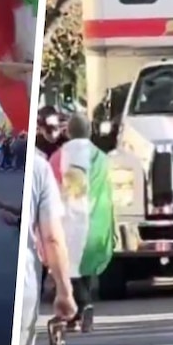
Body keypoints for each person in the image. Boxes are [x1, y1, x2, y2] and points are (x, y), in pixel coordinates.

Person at [12, 150, 78, 345]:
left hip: (27, 281)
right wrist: (65, 292)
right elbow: (52, 237)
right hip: (26, 284)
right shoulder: (40, 168)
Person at [48, 113, 114, 332]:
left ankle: (83, 306)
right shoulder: (102, 159)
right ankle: (79, 312)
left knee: (69, 268)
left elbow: (52, 191)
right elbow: (107, 193)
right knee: (86, 267)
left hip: (66, 221)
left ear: (68, 132)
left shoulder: (57, 157)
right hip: (95, 219)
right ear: (90, 131)